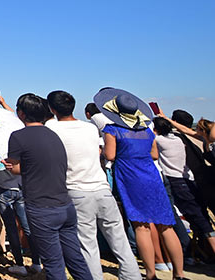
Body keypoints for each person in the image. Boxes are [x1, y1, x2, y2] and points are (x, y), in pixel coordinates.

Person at [46, 91, 141, 280]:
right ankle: (133, 276)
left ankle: (94, 277)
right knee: (119, 238)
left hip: (76, 190)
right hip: (102, 188)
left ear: (52, 109)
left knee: (87, 242)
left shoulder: (51, 127)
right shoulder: (89, 128)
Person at [95, 88, 184, 280]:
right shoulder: (146, 129)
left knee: (141, 226)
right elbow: (154, 154)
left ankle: (151, 274)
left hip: (130, 176)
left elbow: (110, 155)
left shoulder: (113, 129)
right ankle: (179, 273)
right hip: (151, 175)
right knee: (166, 226)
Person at [4, 93, 93, 280]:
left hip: (41, 207)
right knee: (75, 258)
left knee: (53, 263)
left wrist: (12, 166)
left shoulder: (18, 136)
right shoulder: (53, 134)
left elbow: (16, 168)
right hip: (65, 205)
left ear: (21, 114)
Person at [152, 117, 215, 253]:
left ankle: (205, 250)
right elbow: (187, 131)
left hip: (177, 180)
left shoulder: (159, 140)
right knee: (202, 217)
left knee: (199, 219)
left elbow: (153, 149)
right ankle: (205, 251)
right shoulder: (180, 139)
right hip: (189, 179)